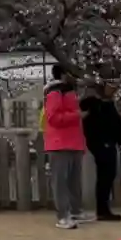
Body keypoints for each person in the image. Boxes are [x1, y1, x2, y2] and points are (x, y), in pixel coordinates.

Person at [42, 64, 89, 230]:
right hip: (59, 143)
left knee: (74, 180)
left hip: (74, 141)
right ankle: (63, 215)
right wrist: (77, 115)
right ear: (63, 74)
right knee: (61, 181)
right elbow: (53, 117)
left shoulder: (70, 91)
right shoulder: (54, 92)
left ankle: (75, 210)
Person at [81, 80, 121, 222]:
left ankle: (104, 209)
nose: (114, 90)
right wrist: (103, 141)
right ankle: (102, 210)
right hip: (102, 143)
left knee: (108, 176)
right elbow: (94, 124)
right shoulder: (95, 104)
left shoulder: (108, 104)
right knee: (105, 177)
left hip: (109, 143)